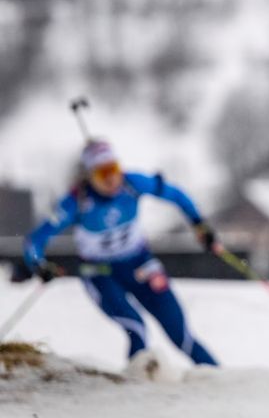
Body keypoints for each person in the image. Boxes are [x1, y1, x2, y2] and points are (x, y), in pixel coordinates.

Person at [23, 140, 219, 369]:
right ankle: (136, 390)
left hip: (140, 263)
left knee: (181, 335)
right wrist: (38, 265)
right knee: (136, 327)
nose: (110, 179)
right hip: (101, 273)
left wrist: (200, 226)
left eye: (113, 169)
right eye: (101, 173)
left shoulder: (132, 183)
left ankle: (220, 381)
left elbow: (176, 195)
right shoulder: (77, 201)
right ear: (89, 176)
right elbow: (34, 242)